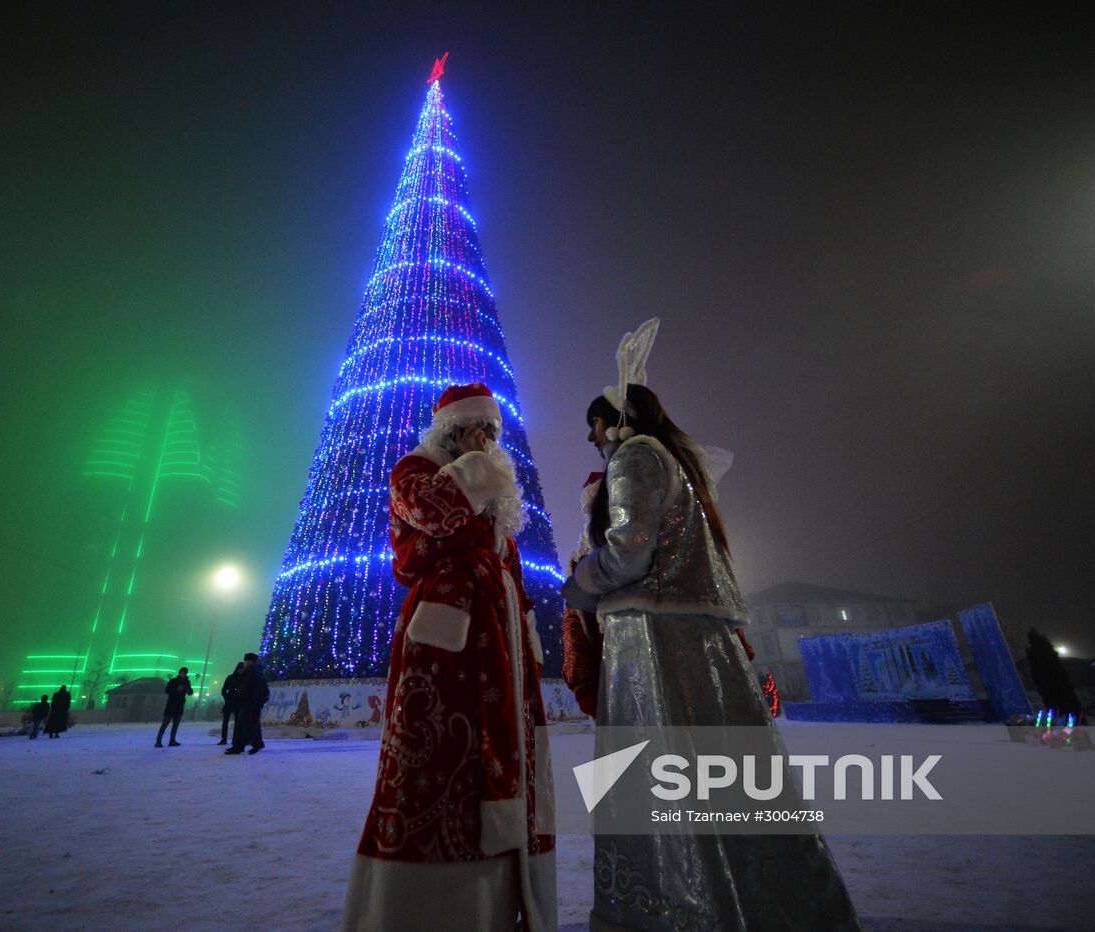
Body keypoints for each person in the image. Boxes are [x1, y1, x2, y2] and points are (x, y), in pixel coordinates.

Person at [561, 320, 862, 931]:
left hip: (654, 644)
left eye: (594, 426)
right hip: (696, 640)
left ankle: (680, 910)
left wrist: (580, 582)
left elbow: (630, 549)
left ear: (613, 420)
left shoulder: (635, 457)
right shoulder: (677, 465)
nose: (591, 439)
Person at [341, 383, 556, 932]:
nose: (489, 442)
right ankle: (424, 909)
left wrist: (527, 633)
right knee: (441, 766)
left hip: (502, 646)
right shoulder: (412, 473)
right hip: (445, 653)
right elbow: (435, 514)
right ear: (452, 432)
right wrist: (481, 464)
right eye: (478, 431)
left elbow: (511, 569)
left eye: (494, 433)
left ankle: (501, 904)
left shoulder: (493, 501)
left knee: (510, 764)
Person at [224, 653, 268, 755]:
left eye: (248, 660)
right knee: (243, 725)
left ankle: (254, 744)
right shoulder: (251, 672)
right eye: (246, 660)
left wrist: (247, 698)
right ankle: (239, 746)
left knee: (248, 725)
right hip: (247, 703)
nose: (246, 662)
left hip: (249, 703)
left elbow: (252, 689)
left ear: (252, 661)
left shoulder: (253, 673)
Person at [155, 668, 194, 747]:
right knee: (165, 724)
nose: (184, 674)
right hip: (171, 706)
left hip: (179, 706)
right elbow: (167, 690)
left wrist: (188, 690)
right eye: (182, 672)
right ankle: (158, 741)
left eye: (185, 673)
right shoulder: (173, 681)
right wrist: (176, 689)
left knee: (175, 725)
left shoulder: (187, 682)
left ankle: (172, 741)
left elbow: (190, 692)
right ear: (179, 673)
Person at [218, 660, 244, 745]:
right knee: (226, 721)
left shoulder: (244, 679)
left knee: (237, 722)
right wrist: (227, 698)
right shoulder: (231, 678)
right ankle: (224, 738)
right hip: (230, 702)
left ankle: (234, 739)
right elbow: (223, 690)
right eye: (240, 669)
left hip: (238, 702)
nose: (241, 671)